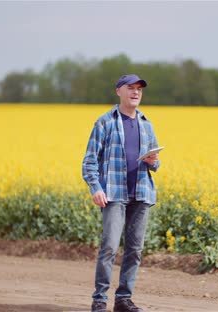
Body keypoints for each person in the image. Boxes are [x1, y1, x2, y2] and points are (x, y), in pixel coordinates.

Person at [82, 74, 161, 312]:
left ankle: (123, 299)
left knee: (135, 250)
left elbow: (155, 164)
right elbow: (89, 161)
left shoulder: (147, 124)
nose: (136, 92)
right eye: (131, 88)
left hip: (141, 193)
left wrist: (153, 160)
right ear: (119, 91)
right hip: (114, 194)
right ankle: (99, 300)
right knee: (109, 247)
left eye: (139, 89)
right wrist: (96, 188)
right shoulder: (104, 122)